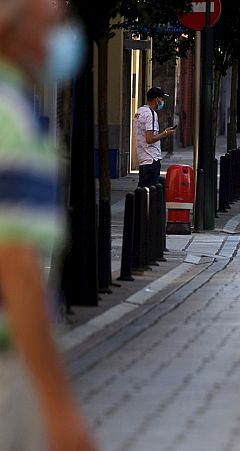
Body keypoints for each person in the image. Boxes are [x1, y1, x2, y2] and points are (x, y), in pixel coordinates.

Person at [0, 0, 96, 450]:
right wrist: (58, 403)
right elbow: (17, 269)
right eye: (51, 18)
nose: (63, 30)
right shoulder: (12, 118)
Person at [134, 86, 174, 188]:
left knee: (143, 192)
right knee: (150, 193)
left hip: (143, 158)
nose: (162, 101)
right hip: (151, 159)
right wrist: (165, 133)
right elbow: (150, 139)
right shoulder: (150, 113)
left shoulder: (139, 111)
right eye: (161, 98)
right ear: (156, 99)